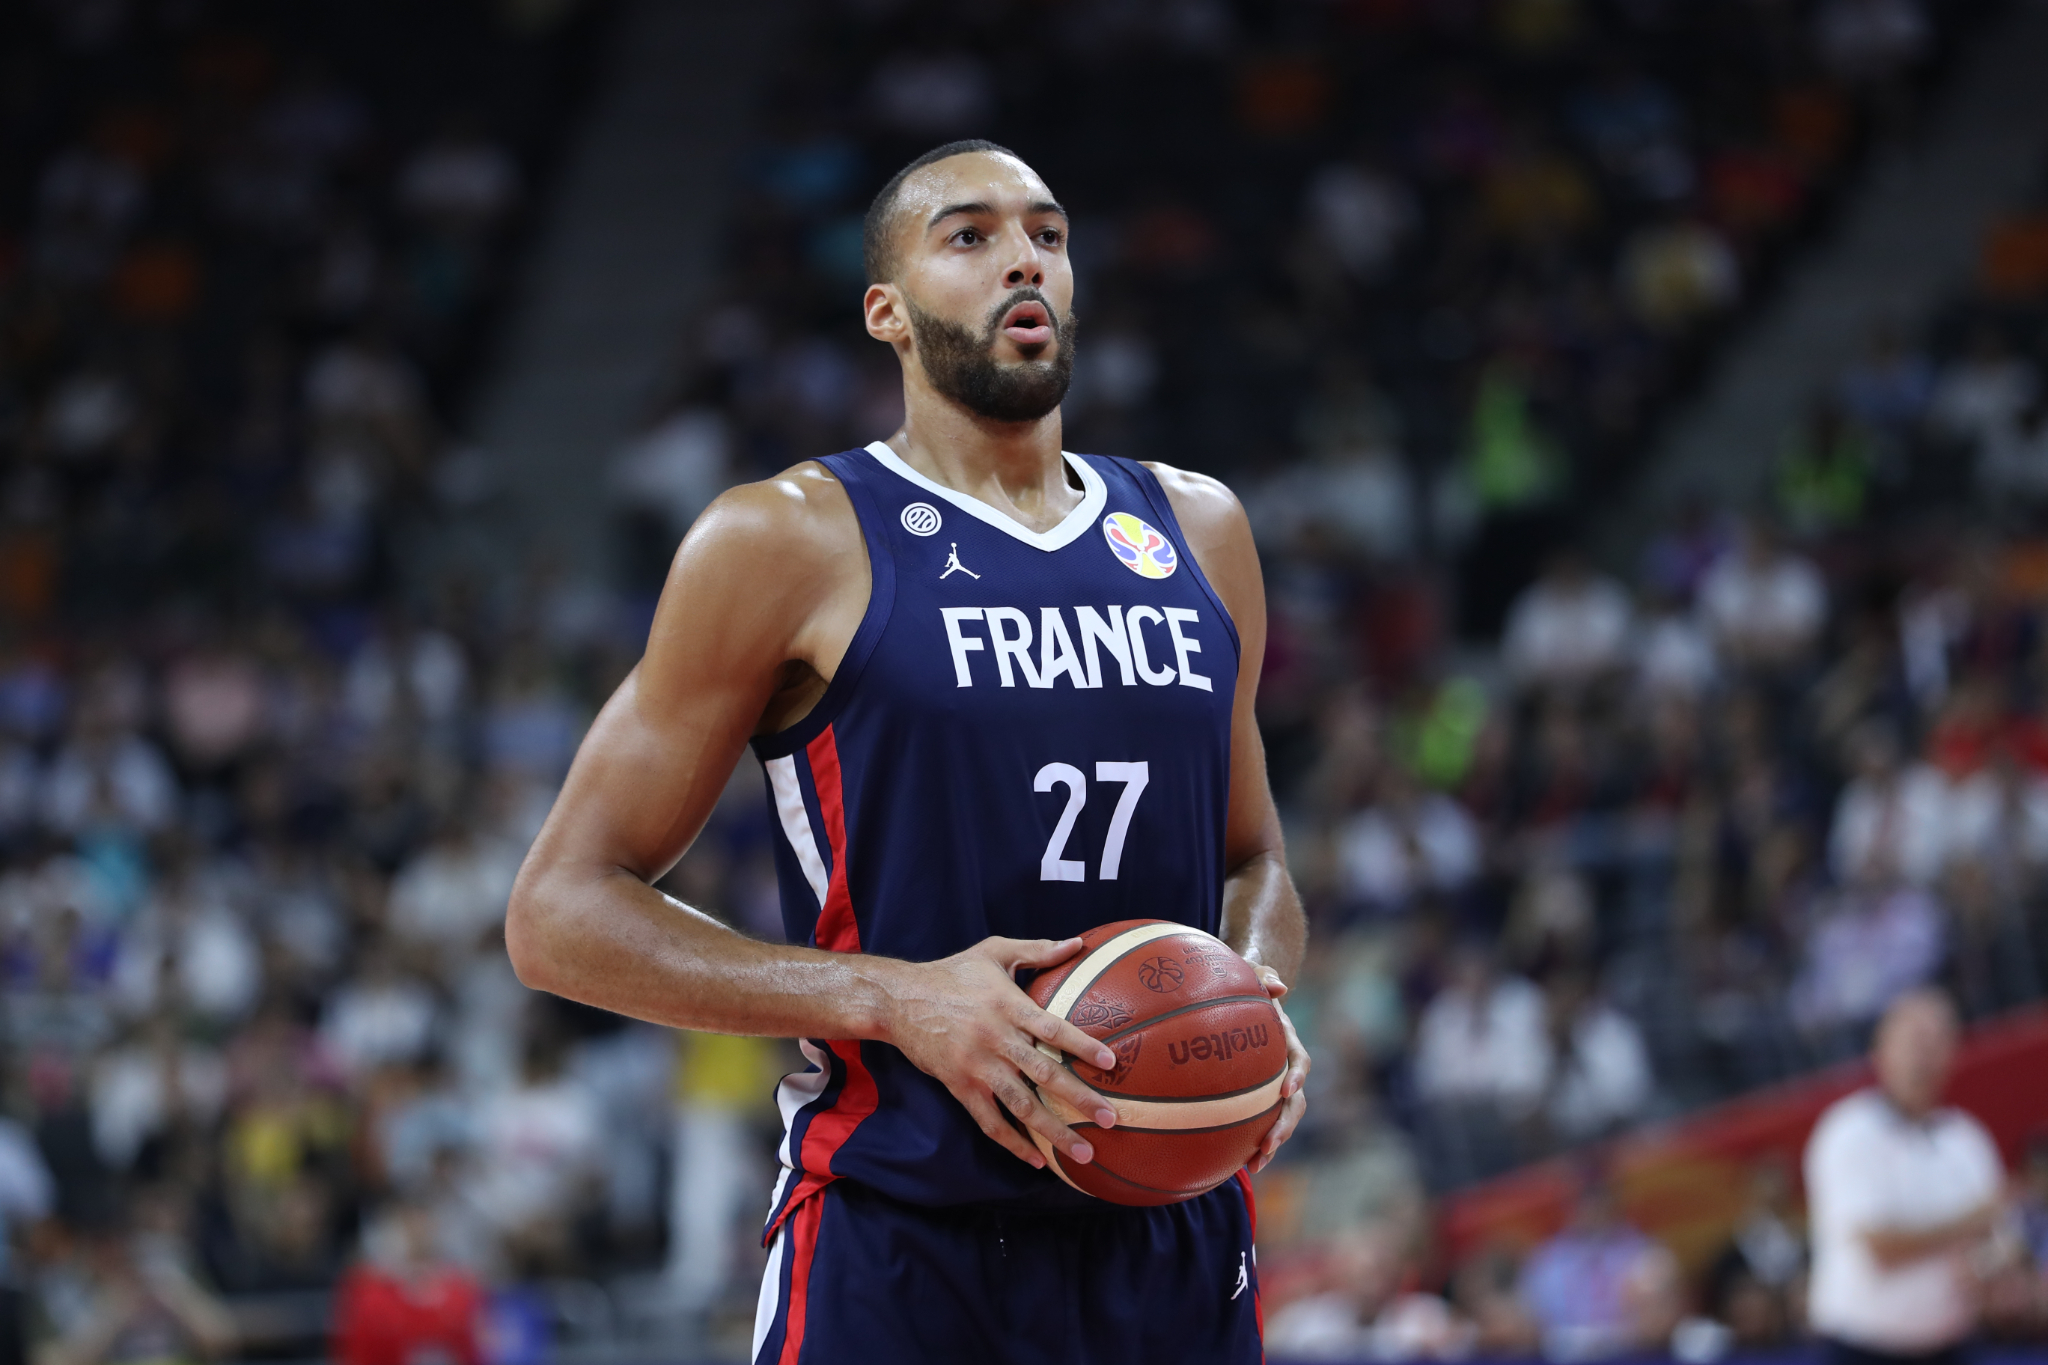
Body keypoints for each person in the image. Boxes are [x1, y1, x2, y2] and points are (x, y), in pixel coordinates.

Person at [506, 140, 1310, 1364]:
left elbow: (1254, 862)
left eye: (1045, 233)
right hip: (904, 1237)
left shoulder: (1197, 529)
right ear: (885, 311)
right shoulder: (784, 539)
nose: (1021, 260)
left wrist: (1250, 999)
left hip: (1174, 1237)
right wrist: (892, 996)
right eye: (969, 236)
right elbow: (558, 914)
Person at [1804, 989, 2007, 1364]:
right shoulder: (1848, 1131)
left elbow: (1995, 1240)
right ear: (1879, 1052)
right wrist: (1972, 1222)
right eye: (1914, 1041)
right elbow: (1881, 1248)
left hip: (1953, 1343)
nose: (1924, 1055)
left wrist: (1989, 1264)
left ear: (1953, 1053)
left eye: (1936, 1041)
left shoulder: (1968, 1139)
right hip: (1859, 1349)